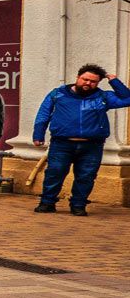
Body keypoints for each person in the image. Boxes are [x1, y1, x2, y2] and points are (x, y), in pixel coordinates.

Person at [31, 64, 130, 215]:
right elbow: (44, 113)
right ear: (77, 77)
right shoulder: (58, 94)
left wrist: (114, 81)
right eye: (85, 79)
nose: (88, 83)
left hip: (92, 146)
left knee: (86, 176)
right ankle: (47, 203)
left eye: (93, 82)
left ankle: (78, 205)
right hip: (62, 143)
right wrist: (38, 134)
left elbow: (127, 99)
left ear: (98, 83)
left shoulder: (103, 97)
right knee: (55, 173)